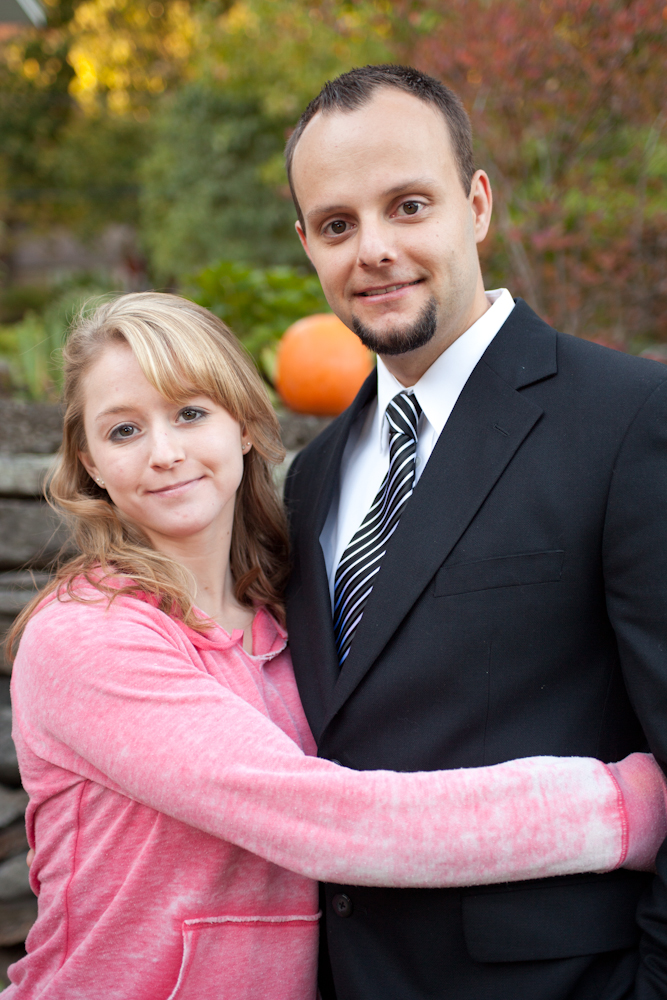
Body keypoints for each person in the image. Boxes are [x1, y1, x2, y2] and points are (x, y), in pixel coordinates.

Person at [7, 292, 664, 998]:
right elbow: (328, 820)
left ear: (243, 425)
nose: (164, 453)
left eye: (190, 413)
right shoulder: (88, 634)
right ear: (90, 461)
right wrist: (628, 805)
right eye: (124, 431)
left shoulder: (293, 615)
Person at [283, 64, 667, 999]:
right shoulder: (310, 478)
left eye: (407, 206)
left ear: (478, 204)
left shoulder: (627, 419)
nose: (374, 249)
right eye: (336, 225)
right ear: (307, 245)